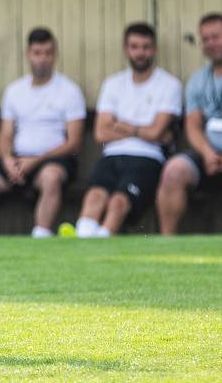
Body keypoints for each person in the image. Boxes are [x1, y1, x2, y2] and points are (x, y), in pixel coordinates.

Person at [0, 28, 86, 239]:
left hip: (53, 159)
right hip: (17, 160)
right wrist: (7, 160)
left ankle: (41, 237)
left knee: (51, 178)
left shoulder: (70, 91)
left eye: (48, 53)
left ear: (55, 55)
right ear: (28, 54)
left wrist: (35, 160)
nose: (42, 59)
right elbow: (5, 134)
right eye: (37, 53)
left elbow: (74, 143)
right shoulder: (15, 90)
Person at [156, 13, 222, 235]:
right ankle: (167, 240)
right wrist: (207, 152)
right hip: (211, 156)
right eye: (205, 39)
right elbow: (193, 125)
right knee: (173, 170)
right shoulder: (198, 79)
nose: (211, 43)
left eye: (216, 37)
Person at [76, 23, 182, 237]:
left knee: (118, 202)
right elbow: (101, 133)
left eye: (146, 47)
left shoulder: (169, 84)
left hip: (148, 157)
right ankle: (82, 242)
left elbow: (156, 133)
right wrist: (144, 130)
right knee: (95, 196)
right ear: (126, 49)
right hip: (111, 155)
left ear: (154, 50)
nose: (140, 52)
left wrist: (122, 125)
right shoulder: (113, 83)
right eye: (135, 46)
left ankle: (102, 247)